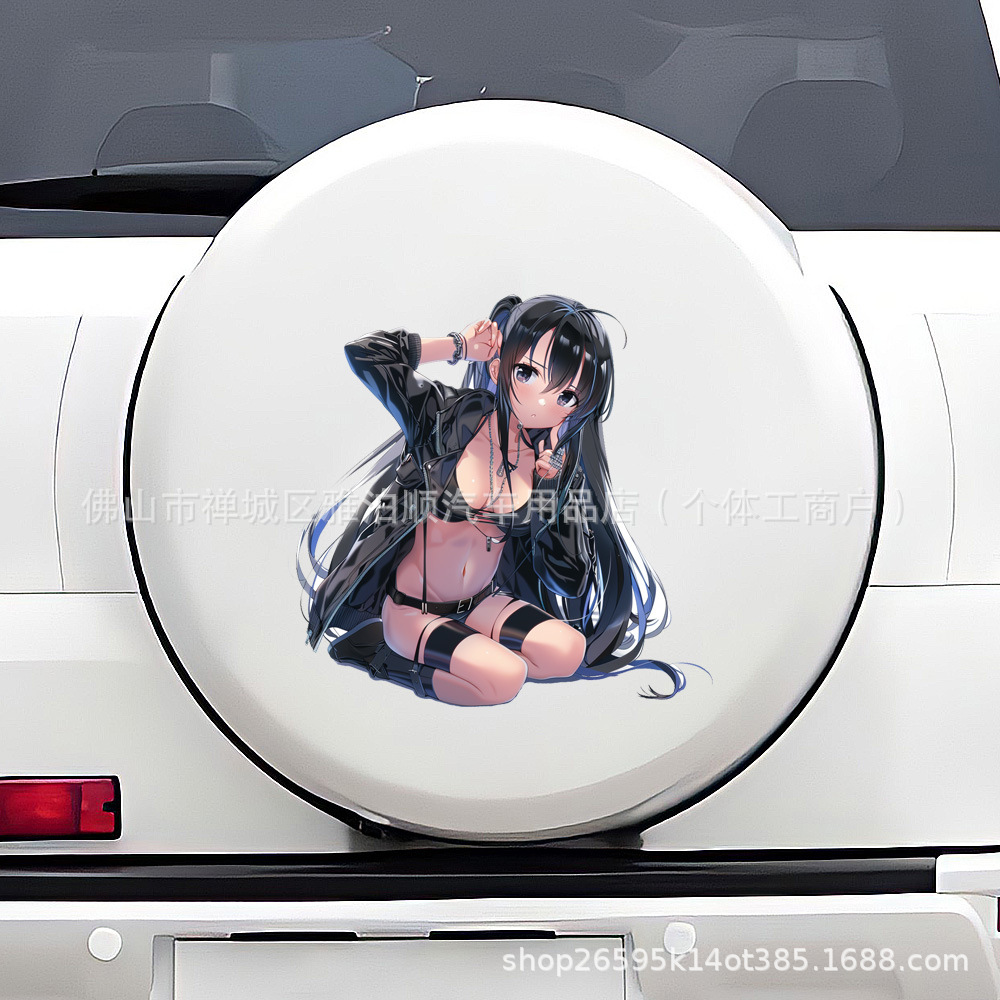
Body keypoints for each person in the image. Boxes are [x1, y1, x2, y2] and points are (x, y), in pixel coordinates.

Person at [298, 293, 688, 705]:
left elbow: (568, 579)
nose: (542, 401)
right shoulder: (444, 416)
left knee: (568, 650)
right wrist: (457, 346)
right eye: (527, 373)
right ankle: (380, 655)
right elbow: (365, 354)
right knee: (504, 679)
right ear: (499, 369)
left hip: (482, 605)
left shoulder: (551, 468)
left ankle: (467, 650)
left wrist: (549, 493)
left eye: (566, 396)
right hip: (414, 610)